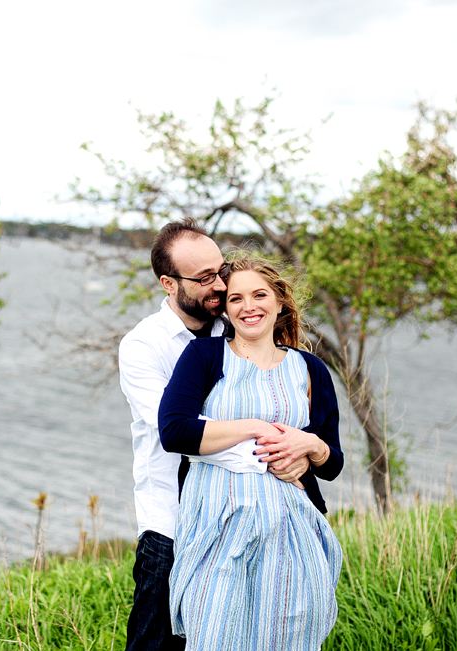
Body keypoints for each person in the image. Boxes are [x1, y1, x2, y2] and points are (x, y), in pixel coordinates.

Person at [119, 220, 312, 651]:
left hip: (245, 516)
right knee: (156, 643)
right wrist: (271, 453)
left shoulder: (236, 326)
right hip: (172, 521)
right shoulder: (142, 347)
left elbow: (283, 403)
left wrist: (303, 450)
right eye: (205, 278)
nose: (221, 285)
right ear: (168, 284)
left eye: (220, 270)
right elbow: (179, 434)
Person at [158, 252, 343, 650]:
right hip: (216, 525)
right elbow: (174, 431)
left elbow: (332, 464)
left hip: (290, 531)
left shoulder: (310, 369)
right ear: (225, 309)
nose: (248, 306)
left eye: (259, 295)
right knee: (214, 636)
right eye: (236, 298)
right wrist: (256, 428)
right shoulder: (205, 357)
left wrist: (309, 444)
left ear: (279, 301)